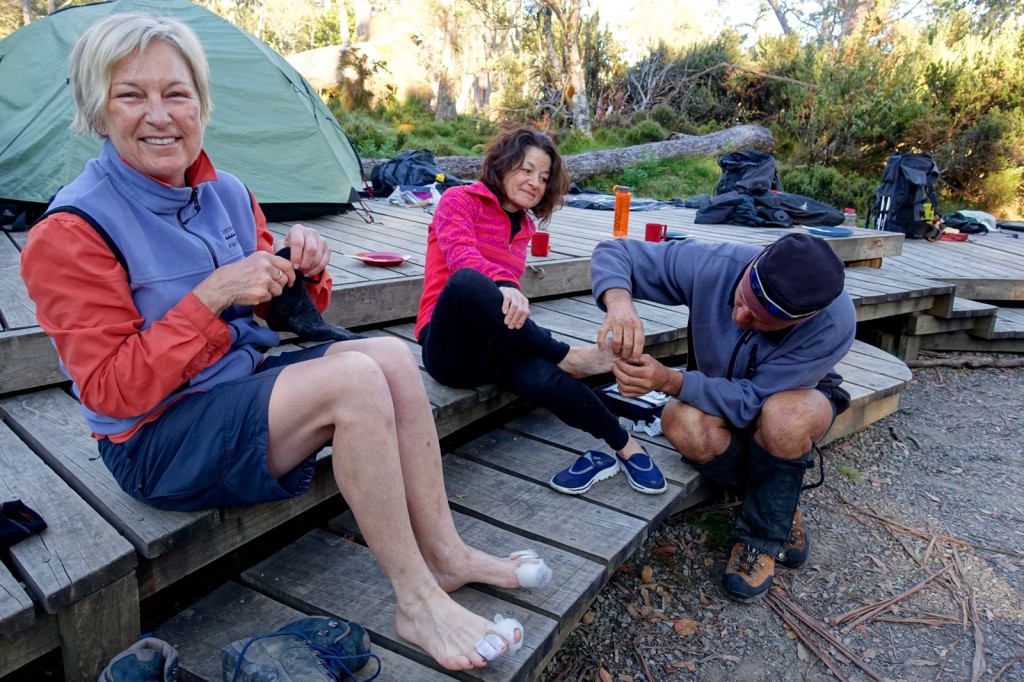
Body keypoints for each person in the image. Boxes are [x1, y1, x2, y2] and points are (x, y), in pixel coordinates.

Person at [19, 13, 551, 671]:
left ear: (202, 105)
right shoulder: (68, 232)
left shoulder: (229, 194)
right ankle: (415, 600)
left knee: (387, 355)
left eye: (176, 93)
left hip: (234, 386)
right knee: (352, 381)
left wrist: (305, 269)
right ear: (98, 113)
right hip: (152, 439)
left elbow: (276, 313)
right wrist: (213, 294)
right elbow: (110, 390)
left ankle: (444, 553)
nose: (158, 115)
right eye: (130, 95)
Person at [591, 233, 856, 602]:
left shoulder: (831, 323)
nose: (739, 316)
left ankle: (761, 538)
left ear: (802, 319)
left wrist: (670, 380)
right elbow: (614, 250)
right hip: (716, 386)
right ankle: (780, 504)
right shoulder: (715, 262)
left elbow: (753, 401)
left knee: (783, 419)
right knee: (679, 421)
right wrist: (619, 303)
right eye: (742, 299)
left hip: (792, 396)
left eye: (761, 321)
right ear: (753, 264)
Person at [415, 127, 668, 496]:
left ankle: (625, 445)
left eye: (544, 177)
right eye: (526, 170)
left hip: (496, 339)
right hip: (451, 345)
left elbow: (508, 293)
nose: (535, 183)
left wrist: (509, 290)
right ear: (502, 165)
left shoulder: (524, 226)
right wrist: (507, 286)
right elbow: (460, 257)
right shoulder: (459, 199)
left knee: (538, 376)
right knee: (468, 281)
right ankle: (567, 355)